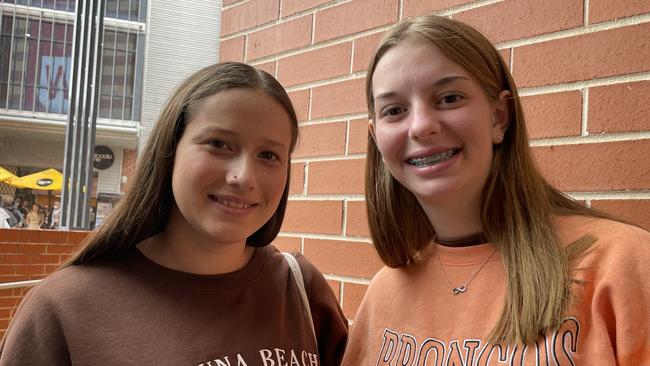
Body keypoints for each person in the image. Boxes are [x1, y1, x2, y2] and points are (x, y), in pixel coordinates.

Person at [342, 14, 650, 365]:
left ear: (499, 116)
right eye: (394, 110)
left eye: (449, 98)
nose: (422, 126)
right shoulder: (384, 293)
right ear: (376, 136)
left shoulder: (623, 265)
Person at [0, 62, 348, 365]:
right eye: (219, 144)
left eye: (269, 155)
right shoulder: (61, 310)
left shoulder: (299, 287)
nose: (244, 177)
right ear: (170, 151)